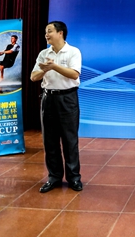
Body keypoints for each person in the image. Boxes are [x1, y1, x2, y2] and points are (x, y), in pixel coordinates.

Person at [30, 21, 83, 193]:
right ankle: (54, 177)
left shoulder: (73, 51)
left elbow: (74, 74)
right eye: (46, 31)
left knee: (70, 140)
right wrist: (45, 70)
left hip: (68, 99)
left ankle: (74, 178)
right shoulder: (44, 53)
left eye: (49, 31)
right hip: (48, 99)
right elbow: (33, 77)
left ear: (60, 33)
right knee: (50, 141)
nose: (46, 34)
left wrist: (54, 66)